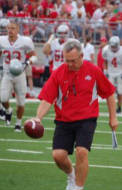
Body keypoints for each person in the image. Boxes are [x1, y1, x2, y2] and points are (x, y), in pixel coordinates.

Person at [26, 39, 118, 190]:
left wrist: (113, 117)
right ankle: (71, 175)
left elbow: (109, 93)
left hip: (87, 119)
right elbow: (47, 99)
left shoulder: (93, 70)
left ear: (82, 56)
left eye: (73, 61)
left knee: (81, 151)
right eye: (66, 60)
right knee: (58, 156)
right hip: (64, 120)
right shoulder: (58, 73)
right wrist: (38, 117)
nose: (69, 64)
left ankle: (78, 187)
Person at [0, 21, 38, 131]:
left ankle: (18, 123)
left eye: (13, 28)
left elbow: (34, 56)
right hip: (7, 74)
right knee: (3, 98)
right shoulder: (2, 40)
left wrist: (28, 62)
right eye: (8, 28)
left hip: (20, 74)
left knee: (21, 102)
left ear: (18, 30)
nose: (10, 30)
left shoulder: (25, 41)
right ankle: (8, 110)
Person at [102, 36, 122, 113]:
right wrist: (105, 71)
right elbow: (105, 61)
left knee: (120, 92)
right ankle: (112, 106)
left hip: (120, 72)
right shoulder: (106, 50)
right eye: (112, 46)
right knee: (110, 92)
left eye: (114, 46)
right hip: (110, 72)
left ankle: (119, 106)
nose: (113, 48)